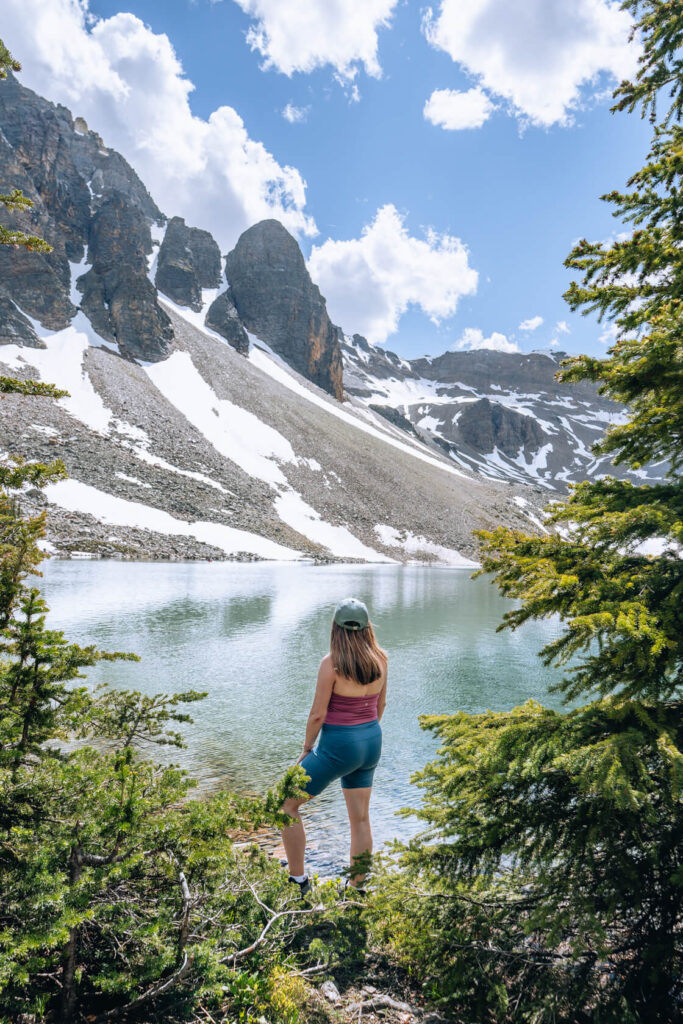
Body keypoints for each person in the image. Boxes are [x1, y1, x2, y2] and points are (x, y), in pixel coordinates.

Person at [280, 597, 387, 896]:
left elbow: (318, 714)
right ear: (367, 627)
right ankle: (357, 888)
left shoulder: (332, 664)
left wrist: (306, 749)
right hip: (371, 741)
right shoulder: (382, 659)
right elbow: (381, 705)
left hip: (339, 744)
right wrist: (365, 733)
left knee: (285, 804)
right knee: (361, 818)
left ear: (335, 628)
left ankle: (298, 881)